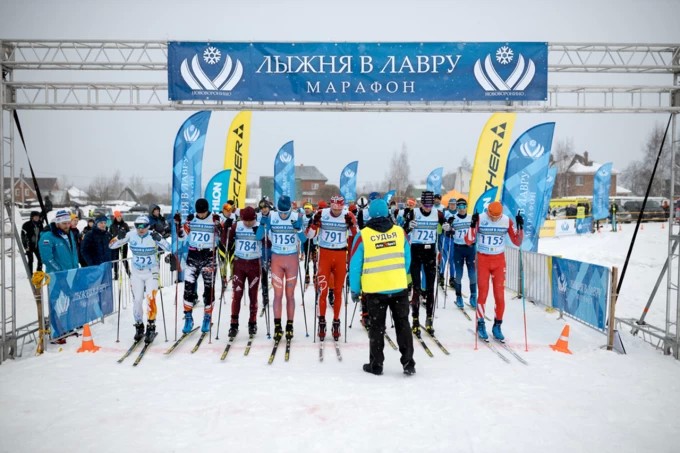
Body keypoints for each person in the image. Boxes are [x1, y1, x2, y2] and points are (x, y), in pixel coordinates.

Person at [349, 199, 415, 376]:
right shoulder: (400, 232)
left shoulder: (363, 235)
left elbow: (355, 265)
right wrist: (399, 274)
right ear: (387, 212)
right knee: (403, 324)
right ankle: (408, 362)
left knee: (377, 327)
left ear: (369, 214)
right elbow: (407, 259)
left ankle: (376, 364)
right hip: (398, 286)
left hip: (375, 289)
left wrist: (355, 289)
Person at [465, 201, 523, 341]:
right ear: (488, 212)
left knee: (500, 296)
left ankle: (497, 325)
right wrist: (472, 225)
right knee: (483, 293)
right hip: (483, 259)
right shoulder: (480, 218)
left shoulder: (506, 221)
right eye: (491, 216)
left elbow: (517, 241)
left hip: (499, 260)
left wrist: (520, 226)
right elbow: (469, 240)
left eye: (496, 217)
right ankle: (481, 324)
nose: (494, 219)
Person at [109, 215, 170, 343]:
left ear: (148, 226)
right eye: (138, 227)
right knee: (137, 301)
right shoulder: (131, 235)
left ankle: (151, 326)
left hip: (151, 272)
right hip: (136, 273)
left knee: (150, 298)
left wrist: (160, 239)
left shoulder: (153, 235)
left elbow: (168, 248)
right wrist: (118, 237)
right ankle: (139, 326)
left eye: (143, 227)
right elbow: (111, 246)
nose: (140, 230)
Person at [306, 195, 357, 341]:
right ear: (330, 206)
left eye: (339, 209)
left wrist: (352, 225)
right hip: (325, 254)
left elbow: (357, 235)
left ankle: (336, 322)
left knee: (338, 291)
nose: (336, 211)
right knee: (323, 290)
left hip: (340, 255)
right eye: (334, 208)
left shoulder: (348, 215)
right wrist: (314, 224)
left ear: (342, 206)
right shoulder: (322, 213)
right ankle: (321, 321)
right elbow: (309, 236)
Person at [256, 195, 307, 342]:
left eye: (286, 212)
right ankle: (277, 326)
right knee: (277, 295)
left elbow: (304, 240)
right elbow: (259, 236)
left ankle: (289, 326)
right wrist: (262, 224)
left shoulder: (297, 216)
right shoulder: (271, 216)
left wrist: (298, 230)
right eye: (281, 212)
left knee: (290, 295)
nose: (283, 215)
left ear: (290, 209)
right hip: (277, 259)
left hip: (292, 260)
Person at [175, 198, 222, 334]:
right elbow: (181, 236)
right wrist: (178, 224)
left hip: (209, 257)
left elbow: (223, 236)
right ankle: (188, 318)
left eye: (203, 212)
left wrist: (220, 227)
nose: (201, 215)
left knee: (209, 289)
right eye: (199, 213)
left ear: (207, 210)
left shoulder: (214, 219)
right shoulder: (191, 219)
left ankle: (207, 317)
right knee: (188, 288)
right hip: (193, 256)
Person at [403, 190, 447, 336]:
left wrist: (448, 227)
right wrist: (409, 226)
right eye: (425, 204)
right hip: (416, 252)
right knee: (416, 288)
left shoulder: (438, 214)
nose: (428, 207)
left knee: (430, 288)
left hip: (430, 253)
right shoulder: (413, 213)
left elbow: (446, 225)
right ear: (421, 203)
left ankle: (429, 319)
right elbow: (404, 230)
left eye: (430, 204)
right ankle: (415, 320)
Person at [225, 206, 261, 337]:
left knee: (253, 295)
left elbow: (267, 243)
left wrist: (260, 234)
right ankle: (233, 324)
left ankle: (252, 323)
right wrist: (226, 229)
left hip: (254, 264)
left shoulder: (259, 225)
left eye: (250, 221)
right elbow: (226, 242)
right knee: (237, 294)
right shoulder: (237, 225)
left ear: (254, 219)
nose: (248, 224)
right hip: (239, 264)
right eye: (246, 221)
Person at [451, 198, 477, 308]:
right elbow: (448, 232)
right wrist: (448, 229)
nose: (461, 209)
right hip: (458, 248)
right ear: (457, 207)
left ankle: (473, 296)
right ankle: (458, 297)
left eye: (463, 207)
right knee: (459, 274)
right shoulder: (453, 218)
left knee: (472, 274)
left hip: (470, 248)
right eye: (459, 207)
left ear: (466, 207)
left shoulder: (472, 217)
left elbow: (478, 230)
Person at [38, 209, 79, 273]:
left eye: (68, 223)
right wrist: (59, 271)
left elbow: (74, 252)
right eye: (64, 223)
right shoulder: (47, 236)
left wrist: (76, 266)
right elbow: (47, 259)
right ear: (57, 223)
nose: (67, 226)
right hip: (57, 275)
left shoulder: (69, 233)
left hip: (72, 272)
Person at [257, 197, 273, 308]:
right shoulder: (258, 217)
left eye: (266, 207)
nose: (264, 210)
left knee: (276, 271)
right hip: (263, 247)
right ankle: (265, 295)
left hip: (274, 247)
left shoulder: (274, 216)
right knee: (264, 271)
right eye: (262, 208)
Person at [438, 199, 457, 290]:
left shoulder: (458, 213)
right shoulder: (444, 212)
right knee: (444, 257)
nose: (452, 206)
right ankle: (441, 275)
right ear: (448, 205)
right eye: (451, 204)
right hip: (444, 237)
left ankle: (452, 278)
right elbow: (440, 224)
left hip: (453, 239)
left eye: (454, 204)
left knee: (452, 259)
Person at [301, 202, 318, 287]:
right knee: (307, 258)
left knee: (315, 259)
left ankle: (315, 274)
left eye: (308, 208)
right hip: (305, 240)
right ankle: (307, 275)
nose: (307, 210)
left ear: (311, 209)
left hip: (314, 240)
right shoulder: (302, 217)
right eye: (305, 208)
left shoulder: (314, 217)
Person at [109, 210, 130, 279]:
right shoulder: (112, 226)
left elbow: (128, 234)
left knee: (124, 259)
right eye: (117, 217)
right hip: (115, 245)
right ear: (115, 217)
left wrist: (124, 235)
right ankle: (116, 274)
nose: (119, 218)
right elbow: (110, 235)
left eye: (120, 216)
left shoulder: (124, 225)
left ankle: (129, 272)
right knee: (116, 259)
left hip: (123, 244)